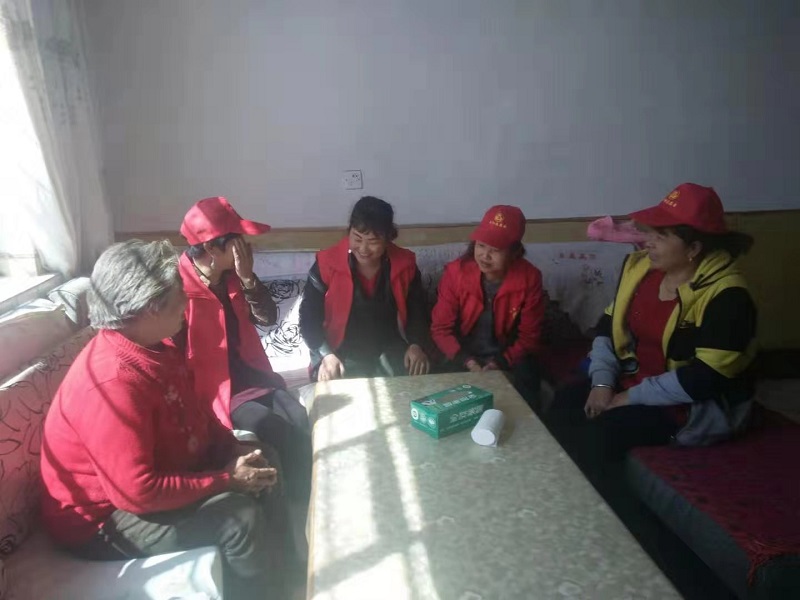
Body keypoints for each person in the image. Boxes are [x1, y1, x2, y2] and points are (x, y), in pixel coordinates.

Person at [40, 240, 291, 600]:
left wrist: (232, 447)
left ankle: (292, 576)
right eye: (178, 298)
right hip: (103, 518)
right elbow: (137, 492)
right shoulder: (112, 383)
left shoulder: (157, 346)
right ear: (148, 309)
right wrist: (226, 480)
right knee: (239, 520)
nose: (186, 304)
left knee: (264, 458)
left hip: (158, 473)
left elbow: (196, 411)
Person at [546, 183, 757, 471]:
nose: (648, 242)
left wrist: (628, 398)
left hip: (684, 404)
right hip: (633, 381)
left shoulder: (728, 297)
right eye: (650, 232)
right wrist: (602, 384)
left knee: (601, 433)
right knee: (565, 403)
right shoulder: (641, 271)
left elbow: (705, 379)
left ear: (693, 248)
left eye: (661, 236)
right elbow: (607, 328)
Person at [179, 196, 311, 541]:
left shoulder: (231, 277)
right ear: (212, 248)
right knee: (274, 429)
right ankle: (297, 515)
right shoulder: (178, 290)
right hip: (219, 391)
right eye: (236, 240)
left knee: (300, 418)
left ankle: (310, 502)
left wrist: (248, 277)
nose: (245, 246)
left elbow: (267, 318)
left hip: (255, 377)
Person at [299, 196, 432, 381]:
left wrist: (416, 344)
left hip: (389, 345)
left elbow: (418, 310)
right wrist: (326, 354)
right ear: (349, 232)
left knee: (416, 376)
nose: (363, 248)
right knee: (338, 387)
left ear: (388, 238)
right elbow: (308, 316)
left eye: (373, 241)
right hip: (339, 348)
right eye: (357, 238)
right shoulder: (327, 264)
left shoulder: (405, 265)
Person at [431, 205, 545, 407]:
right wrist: (469, 363)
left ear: (514, 252)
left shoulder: (530, 278)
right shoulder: (456, 273)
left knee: (526, 393)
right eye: (481, 246)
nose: (485, 255)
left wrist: (498, 363)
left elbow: (529, 337)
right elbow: (441, 329)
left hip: (507, 356)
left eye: (495, 250)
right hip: (462, 354)